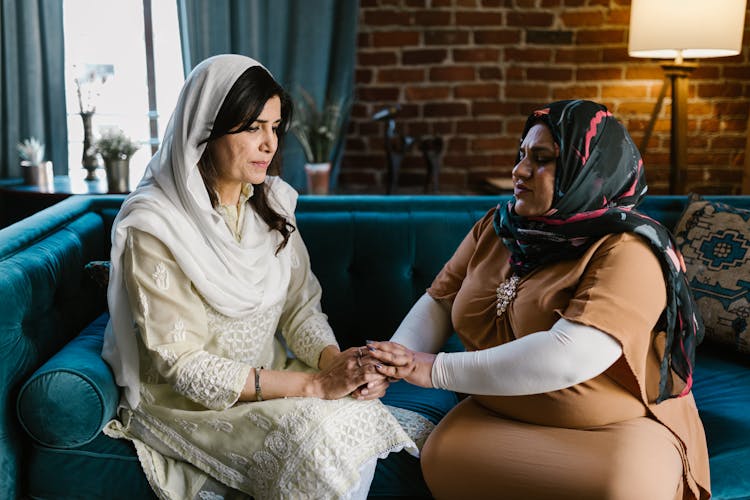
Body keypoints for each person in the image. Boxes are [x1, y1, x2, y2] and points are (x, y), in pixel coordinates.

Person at [101, 54, 417, 500]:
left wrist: (338, 364)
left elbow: (300, 309)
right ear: (205, 130)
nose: (270, 143)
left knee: (357, 415)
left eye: (274, 127)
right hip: (191, 406)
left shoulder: (272, 205)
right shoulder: (154, 226)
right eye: (253, 128)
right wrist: (313, 385)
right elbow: (184, 368)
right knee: (318, 441)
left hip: (274, 376)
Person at [366, 99, 711, 499]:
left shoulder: (629, 249)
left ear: (588, 173)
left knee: (622, 490)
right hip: (492, 420)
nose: (519, 170)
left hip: (613, 436)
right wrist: (390, 362)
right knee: (443, 457)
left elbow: (572, 353)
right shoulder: (499, 228)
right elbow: (440, 301)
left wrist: (433, 370)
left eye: (542, 159)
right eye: (522, 154)